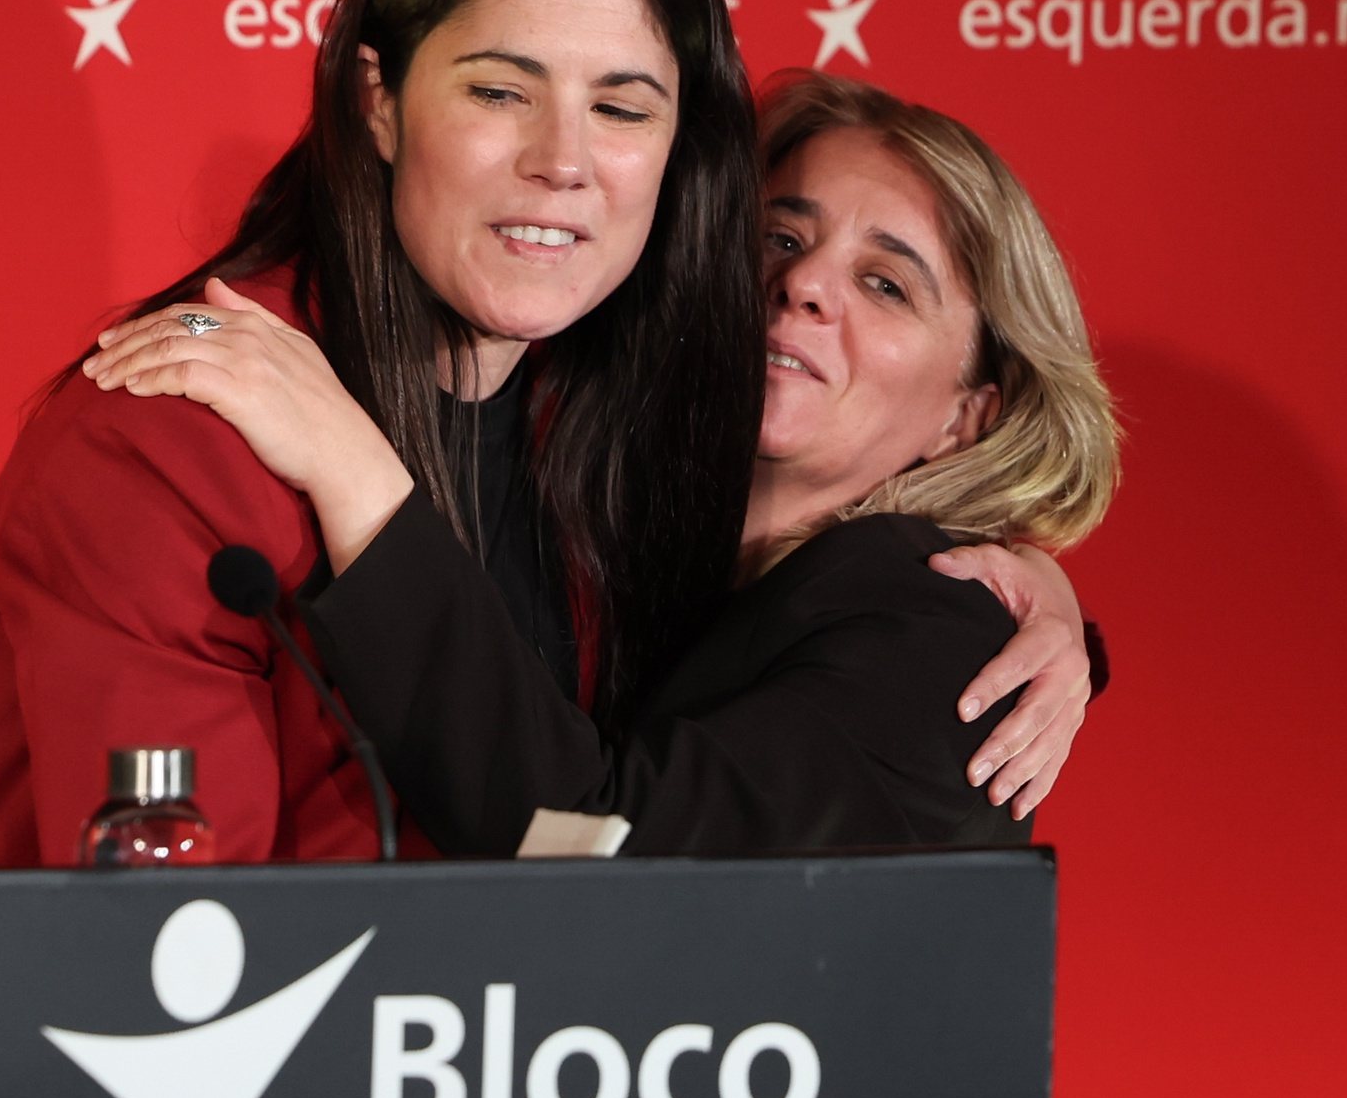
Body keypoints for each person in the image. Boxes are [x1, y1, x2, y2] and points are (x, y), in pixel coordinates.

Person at [0, 0, 1095, 870]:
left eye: (621, 108)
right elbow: (184, 973)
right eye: (499, 91)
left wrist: (1054, 616)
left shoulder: (590, 455)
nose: (561, 160)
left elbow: (614, 829)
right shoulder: (185, 426)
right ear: (377, 100)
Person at [69, 70, 1118, 854]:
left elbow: (598, 848)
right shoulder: (615, 523)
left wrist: (354, 467)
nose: (800, 288)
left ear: (968, 417)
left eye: (887, 284)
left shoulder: (948, 639)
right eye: (775, 237)